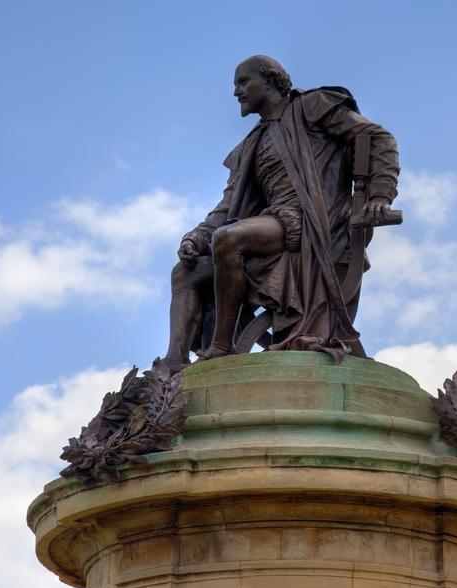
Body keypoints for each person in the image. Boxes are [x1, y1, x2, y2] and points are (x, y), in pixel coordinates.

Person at [161, 55, 399, 374]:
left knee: (229, 239)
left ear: (270, 80)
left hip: (312, 225)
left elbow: (377, 139)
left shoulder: (312, 105)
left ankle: (220, 347)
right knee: (186, 272)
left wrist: (380, 195)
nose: (236, 92)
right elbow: (226, 207)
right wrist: (197, 236)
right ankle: (174, 363)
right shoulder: (251, 145)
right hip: (272, 230)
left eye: (243, 82)